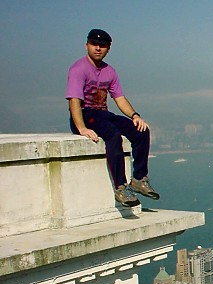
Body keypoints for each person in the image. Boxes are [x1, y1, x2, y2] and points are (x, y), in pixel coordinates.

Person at [66, 29, 159, 207]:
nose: (98, 49)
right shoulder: (78, 69)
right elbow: (74, 101)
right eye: (94, 44)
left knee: (141, 131)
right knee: (113, 135)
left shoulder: (110, 71)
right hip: (85, 115)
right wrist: (81, 128)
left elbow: (120, 99)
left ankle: (139, 179)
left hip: (103, 115)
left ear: (109, 48)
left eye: (102, 46)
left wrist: (135, 115)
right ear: (87, 45)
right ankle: (121, 187)